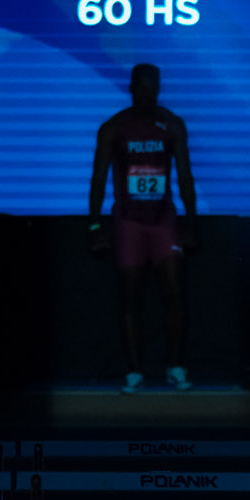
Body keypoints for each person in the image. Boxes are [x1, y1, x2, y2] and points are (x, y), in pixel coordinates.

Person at [86, 61, 197, 392]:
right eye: (143, 87)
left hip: (163, 221)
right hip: (129, 223)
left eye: (153, 87)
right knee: (130, 299)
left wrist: (191, 223)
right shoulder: (114, 127)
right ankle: (134, 371)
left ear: (159, 89)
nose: (148, 93)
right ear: (132, 88)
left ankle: (175, 366)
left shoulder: (172, 124)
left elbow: (185, 176)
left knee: (175, 295)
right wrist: (95, 226)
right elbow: (98, 179)